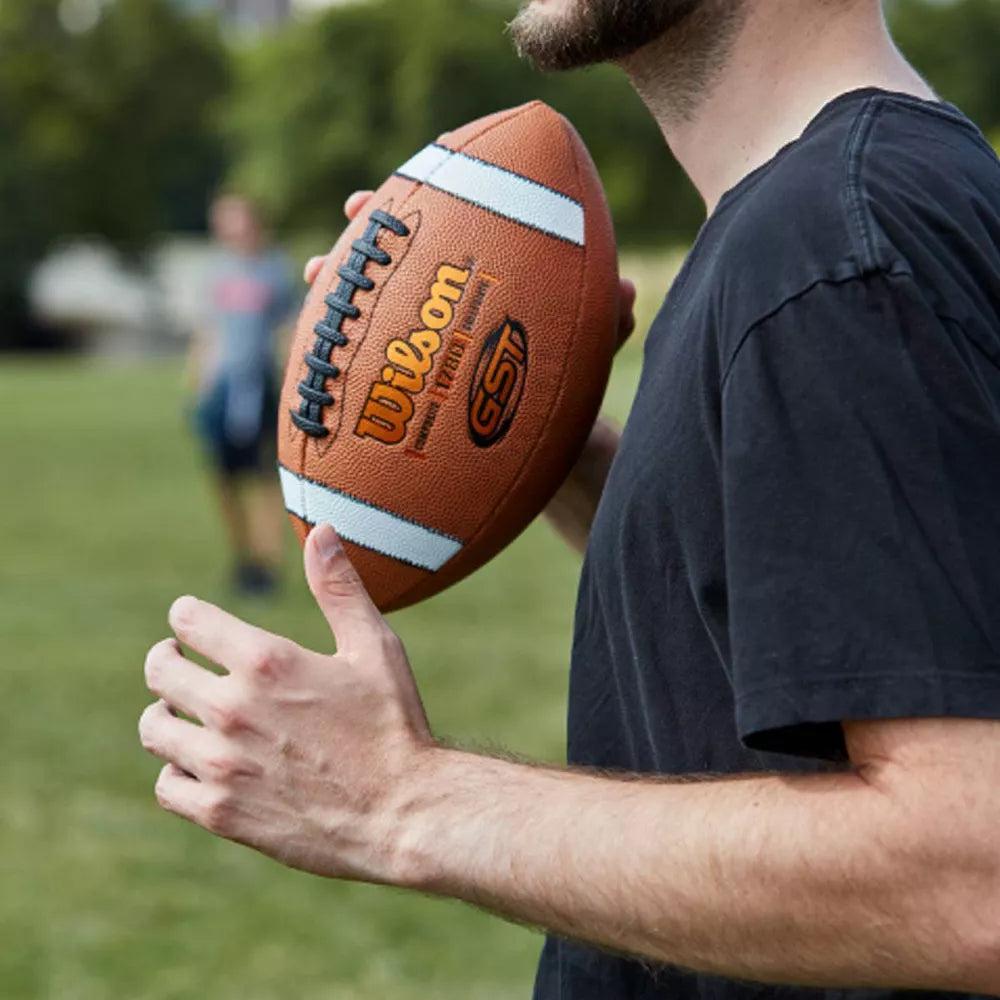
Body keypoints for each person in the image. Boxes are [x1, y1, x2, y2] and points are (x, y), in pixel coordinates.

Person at [140, 1, 1000, 996]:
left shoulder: (826, 251)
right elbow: (822, 633)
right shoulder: (873, 200)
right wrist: (545, 445)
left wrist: (401, 801)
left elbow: (966, 872)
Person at [190, 193, 294, 596]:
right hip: (222, 387)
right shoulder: (216, 272)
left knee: (264, 475)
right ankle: (242, 556)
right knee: (224, 476)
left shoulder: (273, 270)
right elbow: (207, 330)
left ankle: (269, 561)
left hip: (260, 387)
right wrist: (199, 382)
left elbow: (286, 329)